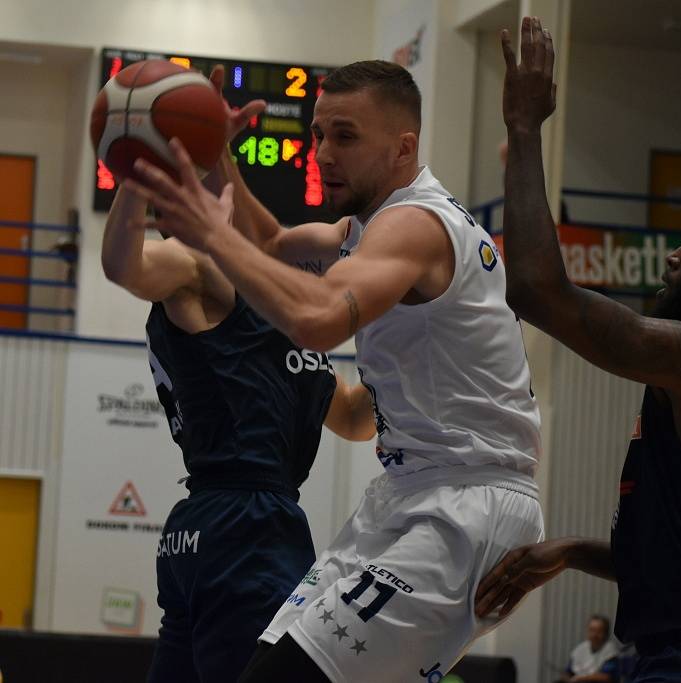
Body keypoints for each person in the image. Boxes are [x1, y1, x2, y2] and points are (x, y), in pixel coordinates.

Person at [126, 59, 543, 682]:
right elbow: (269, 247)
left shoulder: (415, 224)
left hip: (468, 502)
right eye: (318, 134)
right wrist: (221, 161)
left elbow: (318, 318)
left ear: (404, 148)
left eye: (344, 137)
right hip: (405, 495)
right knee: (260, 665)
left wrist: (211, 234)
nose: (322, 153)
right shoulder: (364, 228)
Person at [475, 17, 681, 682]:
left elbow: (540, 291)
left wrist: (524, 127)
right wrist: (571, 550)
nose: (676, 255)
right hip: (678, 654)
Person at [101, 176, 375, 682]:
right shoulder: (197, 265)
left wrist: (412, 356)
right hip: (248, 525)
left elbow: (356, 418)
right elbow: (123, 265)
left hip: (205, 532)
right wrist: (135, 167)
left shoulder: (287, 312)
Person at [554, 615, 618, 683]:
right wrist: (566, 677)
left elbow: (606, 677)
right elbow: (569, 671)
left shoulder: (610, 650)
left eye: (599, 631)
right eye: (592, 630)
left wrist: (581, 678)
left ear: (606, 633)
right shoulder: (581, 648)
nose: (595, 635)